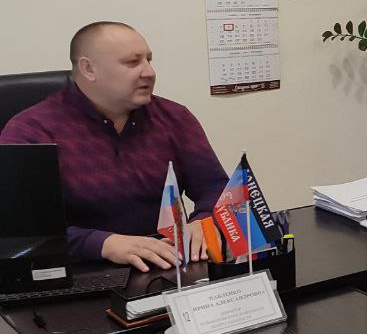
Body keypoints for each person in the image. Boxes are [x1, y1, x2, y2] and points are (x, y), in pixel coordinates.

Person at [0, 22, 226, 272]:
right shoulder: (31, 130)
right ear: (88, 69)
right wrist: (103, 244)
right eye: (132, 62)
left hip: (169, 264)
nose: (149, 72)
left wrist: (204, 220)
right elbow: (23, 230)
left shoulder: (174, 118)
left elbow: (214, 186)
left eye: (149, 60)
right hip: (84, 271)